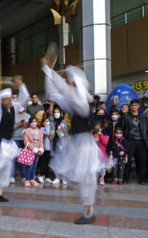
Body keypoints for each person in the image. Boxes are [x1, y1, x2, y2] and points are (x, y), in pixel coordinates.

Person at [42, 55, 101, 225]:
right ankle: (89, 211)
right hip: (79, 144)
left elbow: (63, 90)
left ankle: (89, 212)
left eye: (69, 79)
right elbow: (53, 93)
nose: (66, 81)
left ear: (74, 82)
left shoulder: (80, 100)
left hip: (84, 145)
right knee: (84, 179)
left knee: (85, 179)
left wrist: (49, 70)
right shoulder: (76, 99)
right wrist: (50, 74)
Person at [121, 100, 148, 184]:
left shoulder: (143, 117)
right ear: (130, 106)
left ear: (139, 106)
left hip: (141, 141)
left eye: (136, 105)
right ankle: (125, 178)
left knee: (142, 160)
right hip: (130, 140)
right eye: (132, 105)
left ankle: (142, 179)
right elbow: (122, 128)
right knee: (127, 160)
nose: (134, 107)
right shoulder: (126, 117)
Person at [48, 106, 69, 185]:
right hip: (53, 142)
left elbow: (65, 133)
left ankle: (63, 177)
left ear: (61, 113)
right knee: (56, 161)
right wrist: (52, 134)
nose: (56, 114)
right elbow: (50, 133)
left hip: (62, 143)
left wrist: (58, 130)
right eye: (55, 112)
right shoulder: (51, 121)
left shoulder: (64, 121)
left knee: (63, 161)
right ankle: (57, 177)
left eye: (58, 112)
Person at [23, 117, 44, 188]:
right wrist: (35, 149)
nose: (33, 123)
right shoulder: (27, 131)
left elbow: (41, 142)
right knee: (30, 166)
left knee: (34, 166)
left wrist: (40, 149)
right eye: (32, 122)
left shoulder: (40, 131)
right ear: (29, 123)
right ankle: (27, 180)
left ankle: (32, 179)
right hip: (30, 151)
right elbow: (26, 142)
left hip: (37, 152)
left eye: (35, 121)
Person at [11, 106, 30, 183]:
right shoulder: (13, 115)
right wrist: (17, 126)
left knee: (24, 159)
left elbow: (32, 126)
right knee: (14, 158)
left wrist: (28, 124)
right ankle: (12, 176)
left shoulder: (28, 116)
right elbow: (9, 127)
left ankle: (24, 176)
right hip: (15, 138)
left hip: (25, 139)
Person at [37, 117, 52, 184]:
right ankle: (40, 175)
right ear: (43, 123)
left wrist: (48, 127)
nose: (47, 122)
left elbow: (51, 134)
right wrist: (47, 126)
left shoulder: (50, 128)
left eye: (48, 121)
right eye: (46, 121)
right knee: (43, 163)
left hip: (49, 148)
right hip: (43, 148)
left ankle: (46, 176)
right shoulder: (42, 129)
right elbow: (47, 133)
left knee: (48, 163)